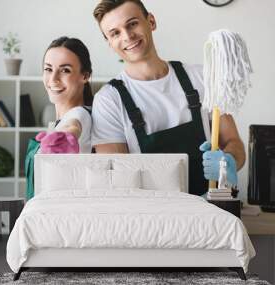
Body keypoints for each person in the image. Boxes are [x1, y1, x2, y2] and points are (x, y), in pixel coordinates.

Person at [91, 0, 245, 196]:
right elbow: (116, 179)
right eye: (115, 33)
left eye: (132, 24)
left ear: (151, 21)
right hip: (152, 217)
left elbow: (235, 144)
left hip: (212, 212)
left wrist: (227, 162)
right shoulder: (109, 101)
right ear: (110, 43)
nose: (127, 36)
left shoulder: (201, 78)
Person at [25, 36, 93, 199]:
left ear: (85, 76)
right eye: (48, 69)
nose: (53, 79)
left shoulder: (79, 114)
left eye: (65, 70)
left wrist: (66, 136)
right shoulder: (62, 120)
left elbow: (73, 126)